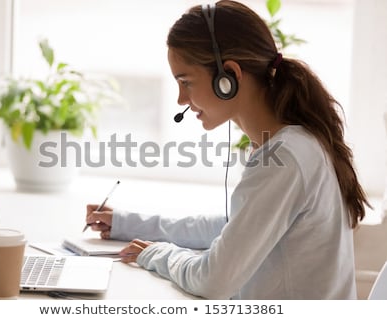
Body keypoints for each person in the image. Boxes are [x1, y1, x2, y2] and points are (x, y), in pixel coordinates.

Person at [85, 0, 370, 299]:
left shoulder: (286, 157)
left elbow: (213, 281)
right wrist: (128, 224)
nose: (181, 99)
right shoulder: (291, 144)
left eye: (186, 81)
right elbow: (233, 227)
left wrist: (159, 255)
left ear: (228, 77)